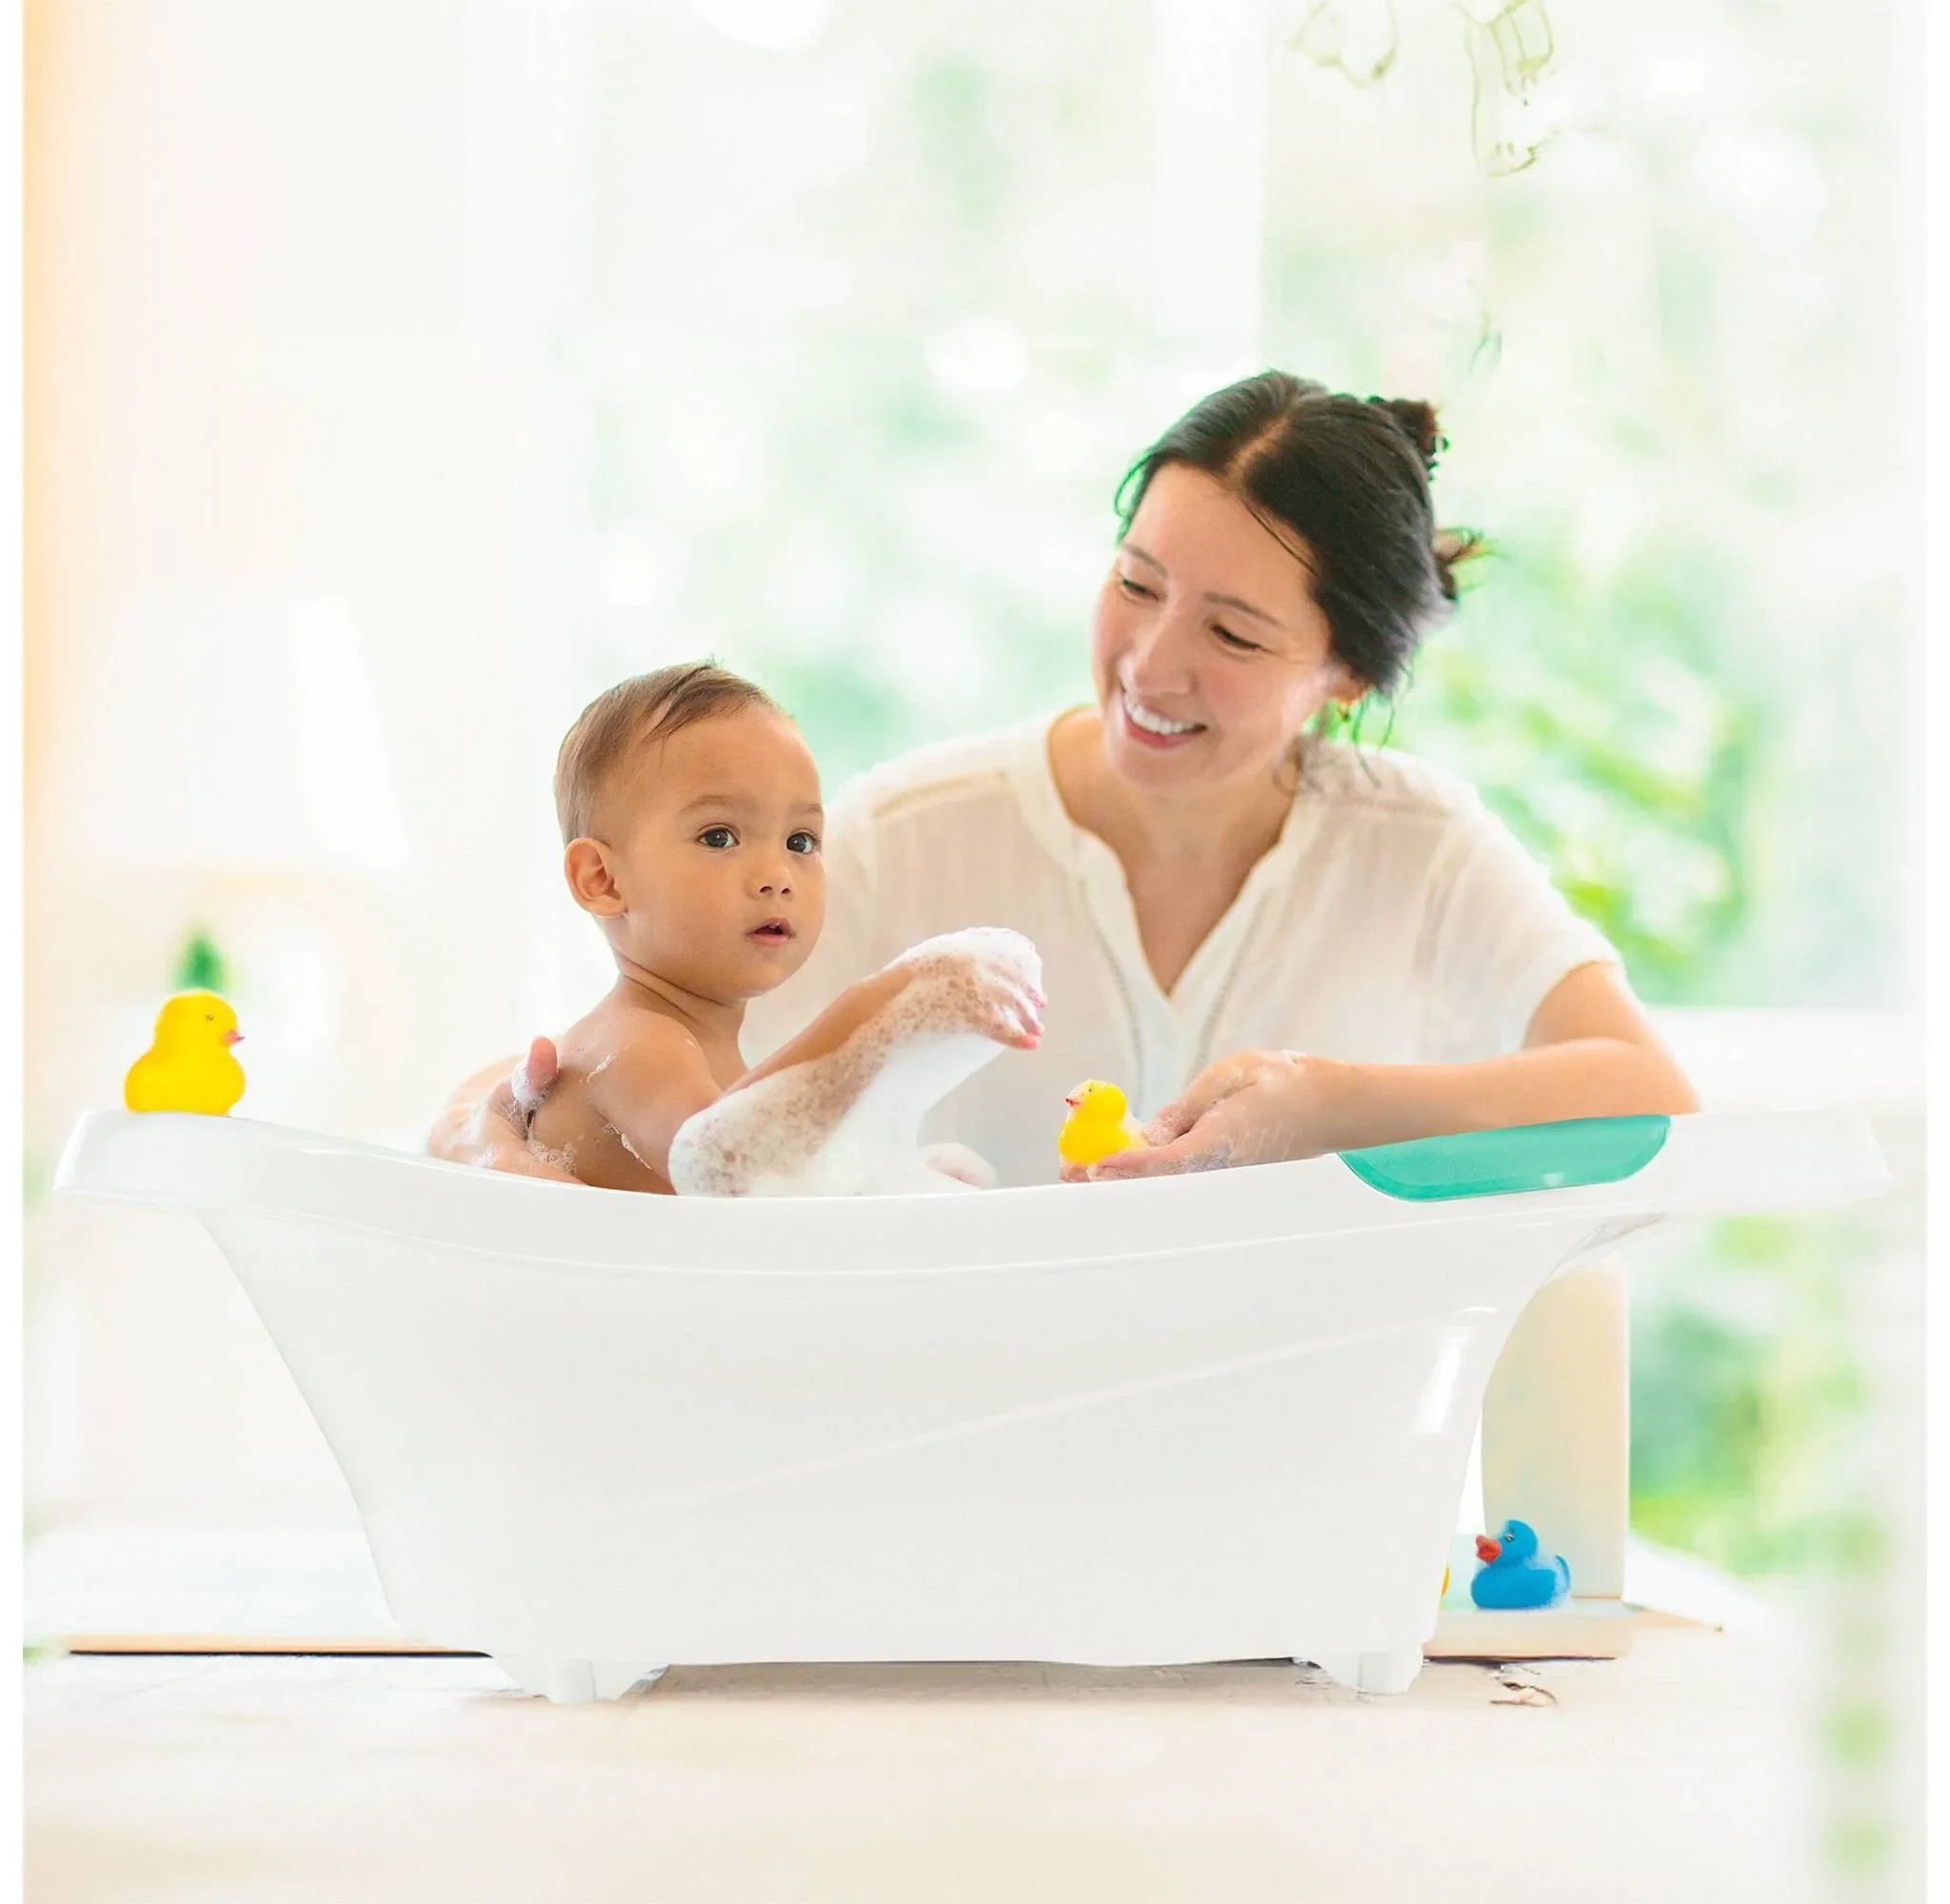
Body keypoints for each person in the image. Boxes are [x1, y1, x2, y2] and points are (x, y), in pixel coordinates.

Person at [433, 371, 1695, 1188]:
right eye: (1137, 584)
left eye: (1233, 633)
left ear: (1345, 673)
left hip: (1318, 1460)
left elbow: (1650, 1095)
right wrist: (480, 1132)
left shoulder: (1416, 851)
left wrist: (1326, 1105)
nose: (1150, 662)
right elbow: (637, 1067)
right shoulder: (915, 837)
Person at [448, 662, 1044, 1193]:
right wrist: (879, 1008)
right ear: (602, 879)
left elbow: (764, 1184)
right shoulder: (637, 1044)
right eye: (719, 836)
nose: (776, 875)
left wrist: (896, 1177)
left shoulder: (701, 1048)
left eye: (800, 841)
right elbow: (726, 1163)